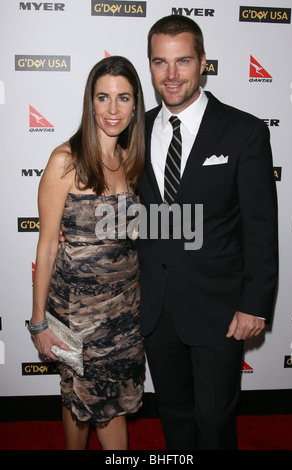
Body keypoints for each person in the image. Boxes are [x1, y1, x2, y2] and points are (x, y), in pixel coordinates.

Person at [137, 15, 278, 450]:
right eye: (161, 63)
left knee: (214, 418)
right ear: (151, 66)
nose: (172, 75)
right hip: (156, 306)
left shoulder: (243, 131)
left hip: (219, 308)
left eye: (183, 61)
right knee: (175, 414)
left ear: (203, 63)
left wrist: (254, 304)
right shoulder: (133, 131)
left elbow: (260, 228)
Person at [28, 56, 146, 450]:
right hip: (79, 313)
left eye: (123, 98)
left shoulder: (130, 161)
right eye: (103, 97)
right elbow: (46, 247)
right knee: (81, 400)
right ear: (90, 102)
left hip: (125, 311)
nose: (113, 110)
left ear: (135, 104)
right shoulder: (65, 161)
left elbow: (130, 236)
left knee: (112, 403)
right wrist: (38, 322)